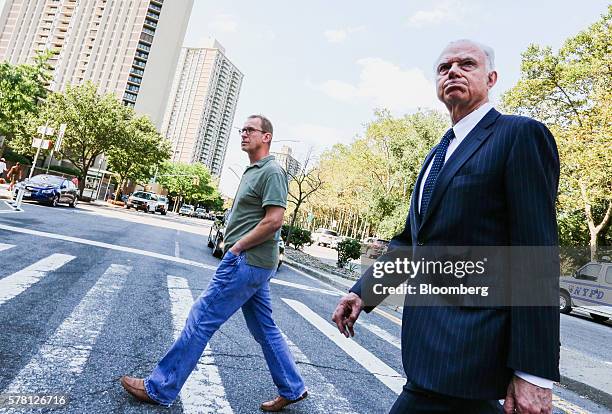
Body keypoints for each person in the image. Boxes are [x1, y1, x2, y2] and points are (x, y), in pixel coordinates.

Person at [332, 39, 560, 414]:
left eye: (466, 64)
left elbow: (536, 255)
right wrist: (363, 294)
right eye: (444, 67)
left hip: (474, 353)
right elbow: (411, 242)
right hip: (428, 353)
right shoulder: (436, 154)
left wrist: (533, 373)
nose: (453, 71)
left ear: (491, 78)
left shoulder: (519, 136)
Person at [121, 115, 308, 411]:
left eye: (250, 130)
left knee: (200, 318)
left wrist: (236, 248)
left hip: (246, 260)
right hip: (255, 263)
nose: (243, 134)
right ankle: (292, 387)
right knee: (264, 327)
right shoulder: (253, 170)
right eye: (242, 130)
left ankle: (160, 388)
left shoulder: (271, 171)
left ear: (267, 137)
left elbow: (274, 221)